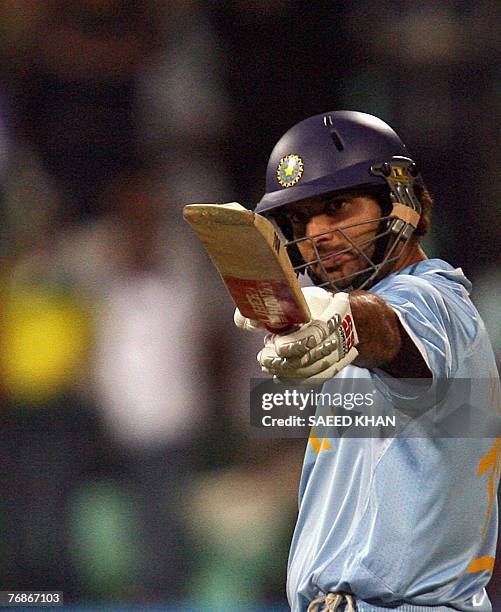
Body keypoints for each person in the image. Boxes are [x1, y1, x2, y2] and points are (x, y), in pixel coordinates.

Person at [235, 111, 501, 611]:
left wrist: (346, 320)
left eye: (337, 207)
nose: (317, 233)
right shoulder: (349, 319)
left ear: (403, 204)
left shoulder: (438, 302)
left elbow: (390, 328)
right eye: (298, 220)